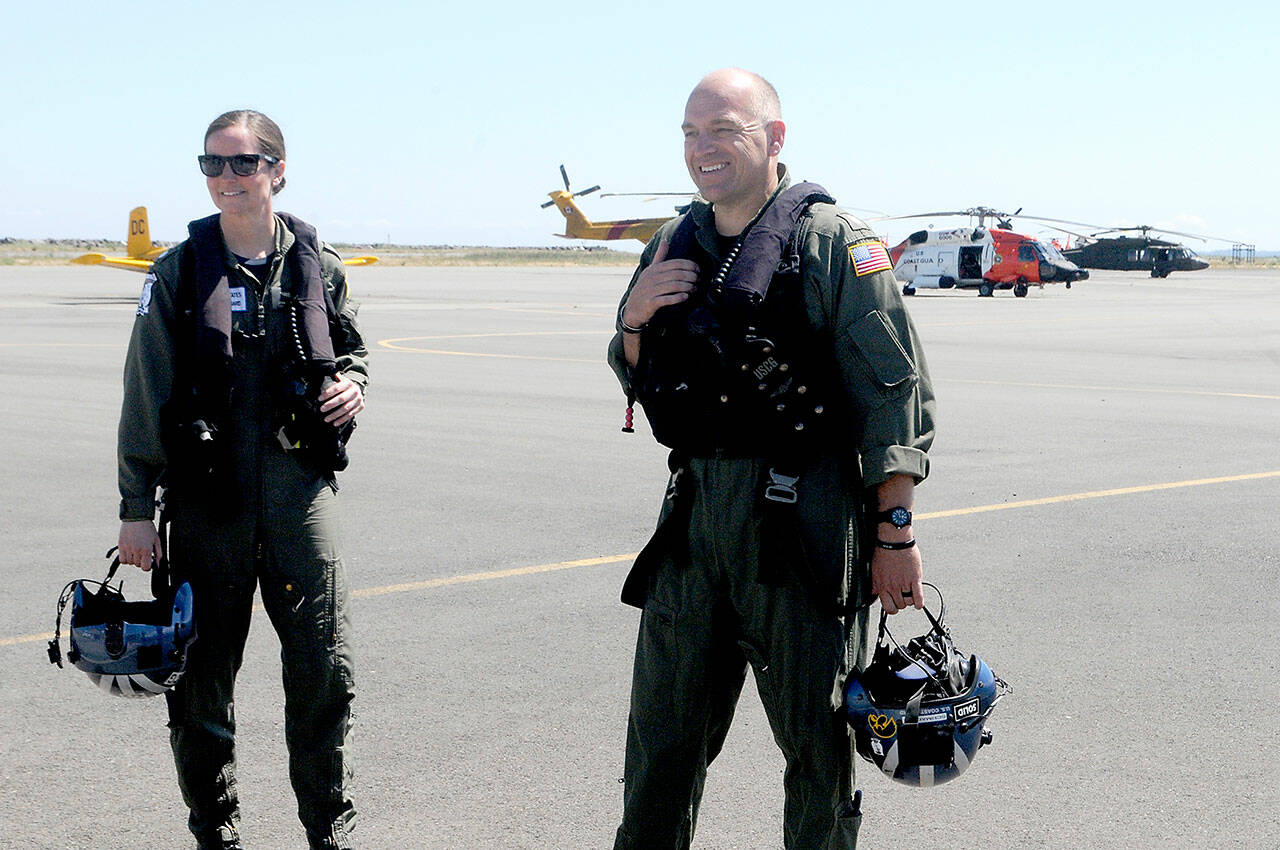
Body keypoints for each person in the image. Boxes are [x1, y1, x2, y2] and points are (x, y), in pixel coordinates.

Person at [606, 69, 936, 849]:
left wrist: (895, 534)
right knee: (659, 744)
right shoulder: (671, 243)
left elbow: (893, 398)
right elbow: (631, 369)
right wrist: (634, 316)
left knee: (818, 750)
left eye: (723, 129)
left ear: (774, 137)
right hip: (691, 525)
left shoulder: (833, 245)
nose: (702, 148)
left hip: (802, 525)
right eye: (690, 133)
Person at [115, 109, 367, 850]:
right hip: (207, 503)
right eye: (213, 165)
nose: (228, 178)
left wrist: (354, 384)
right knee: (201, 684)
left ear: (277, 170)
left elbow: (350, 353)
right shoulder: (177, 272)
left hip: (300, 497)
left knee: (326, 670)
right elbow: (144, 393)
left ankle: (330, 828)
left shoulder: (321, 266)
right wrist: (135, 508)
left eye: (244, 163)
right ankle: (216, 832)